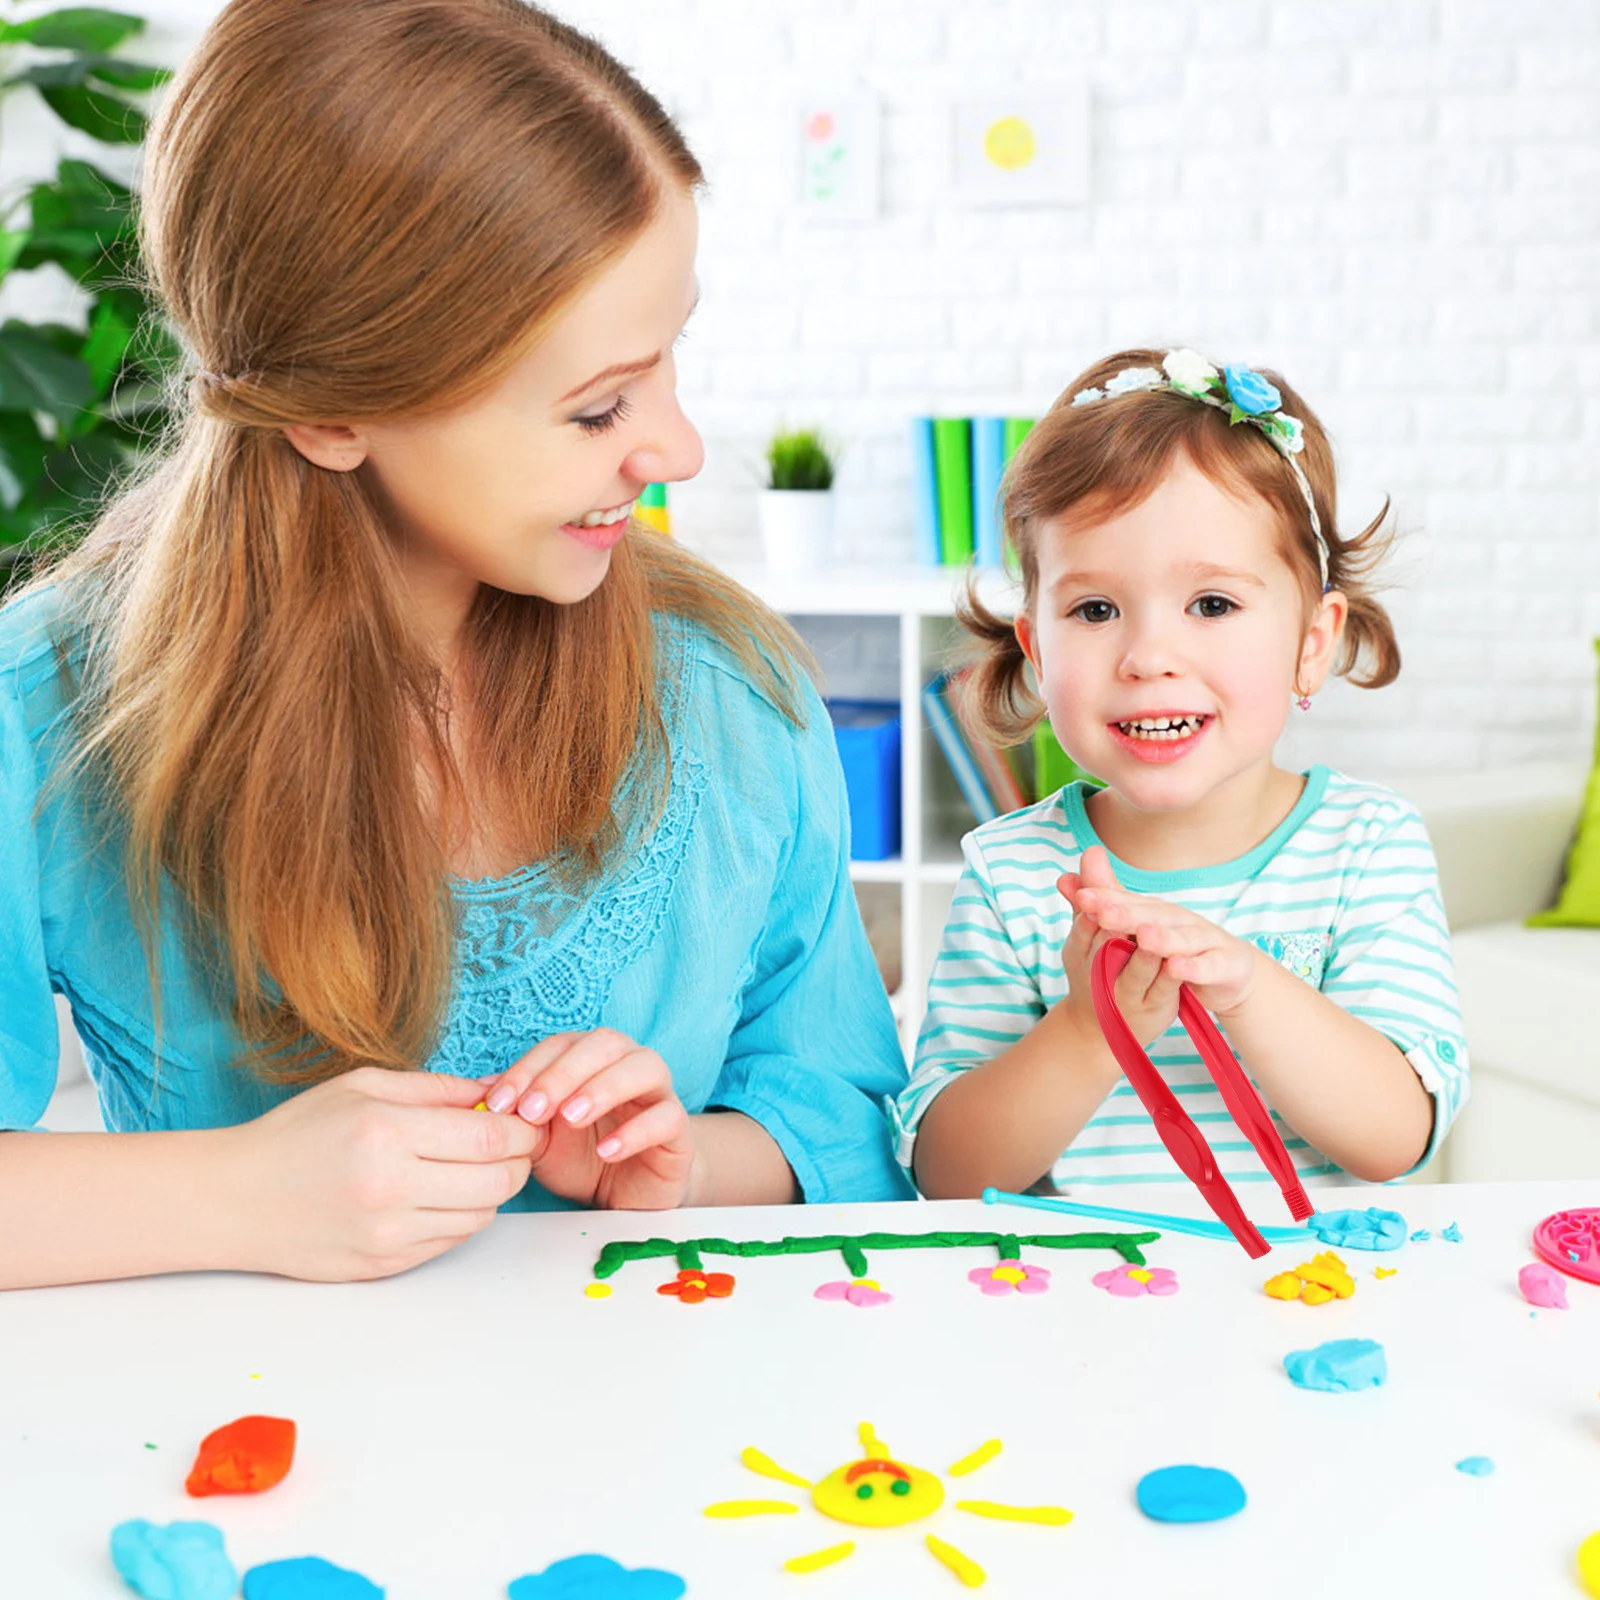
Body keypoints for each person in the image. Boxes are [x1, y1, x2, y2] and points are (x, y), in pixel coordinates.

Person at [0, 0, 912, 1291]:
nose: (679, 450)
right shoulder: (44, 712)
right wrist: (241, 1196)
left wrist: (686, 1169)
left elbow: (850, 1125)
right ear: (334, 417)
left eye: (670, 360)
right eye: (597, 408)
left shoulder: (731, 695)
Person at [897, 347, 1469, 1200]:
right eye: (1096, 609)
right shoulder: (1013, 873)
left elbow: (1397, 1138)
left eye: (1212, 604)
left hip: (1312, 1278)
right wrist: (1090, 1028)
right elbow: (948, 1174)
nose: (1149, 656)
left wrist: (1249, 987)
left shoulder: (1366, 847)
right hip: (1075, 1282)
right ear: (1037, 652)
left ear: (1311, 644)